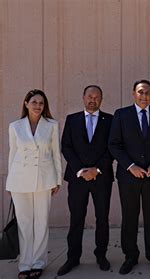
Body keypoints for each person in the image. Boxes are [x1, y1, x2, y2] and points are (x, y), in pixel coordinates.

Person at [108, 80, 150, 275]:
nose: (144, 96)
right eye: (140, 92)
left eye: (148, 93)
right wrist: (130, 166)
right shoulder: (121, 115)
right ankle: (130, 256)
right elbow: (114, 144)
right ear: (134, 93)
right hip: (128, 177)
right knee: (129, 217)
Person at [57, 85, 114, 276]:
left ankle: (101, 255)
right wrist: (81, 170)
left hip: (101, 178)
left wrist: (96, 169)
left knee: (102, 219)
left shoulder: (110, 120)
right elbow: (66, 147)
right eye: (89, 96)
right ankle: (73, 257)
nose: (93, 99)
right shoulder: (72, 119)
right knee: (76, 219)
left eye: (97, 97)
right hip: (77, 178)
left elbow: (112, 148)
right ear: (83, 97)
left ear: (102, 99)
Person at [6, 89, 62, 279]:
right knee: (24, 223)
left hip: (44, 179)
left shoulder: (52, 125)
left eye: (41, 103)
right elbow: (12, 155)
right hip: (19, 180)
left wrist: (57, 180)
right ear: (26, 103)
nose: (38, 106)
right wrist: (9, 183)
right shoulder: (15, 126)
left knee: (41, 222)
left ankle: (38, 262)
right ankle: (25, 264)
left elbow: (56, 154)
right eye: (34, 102)